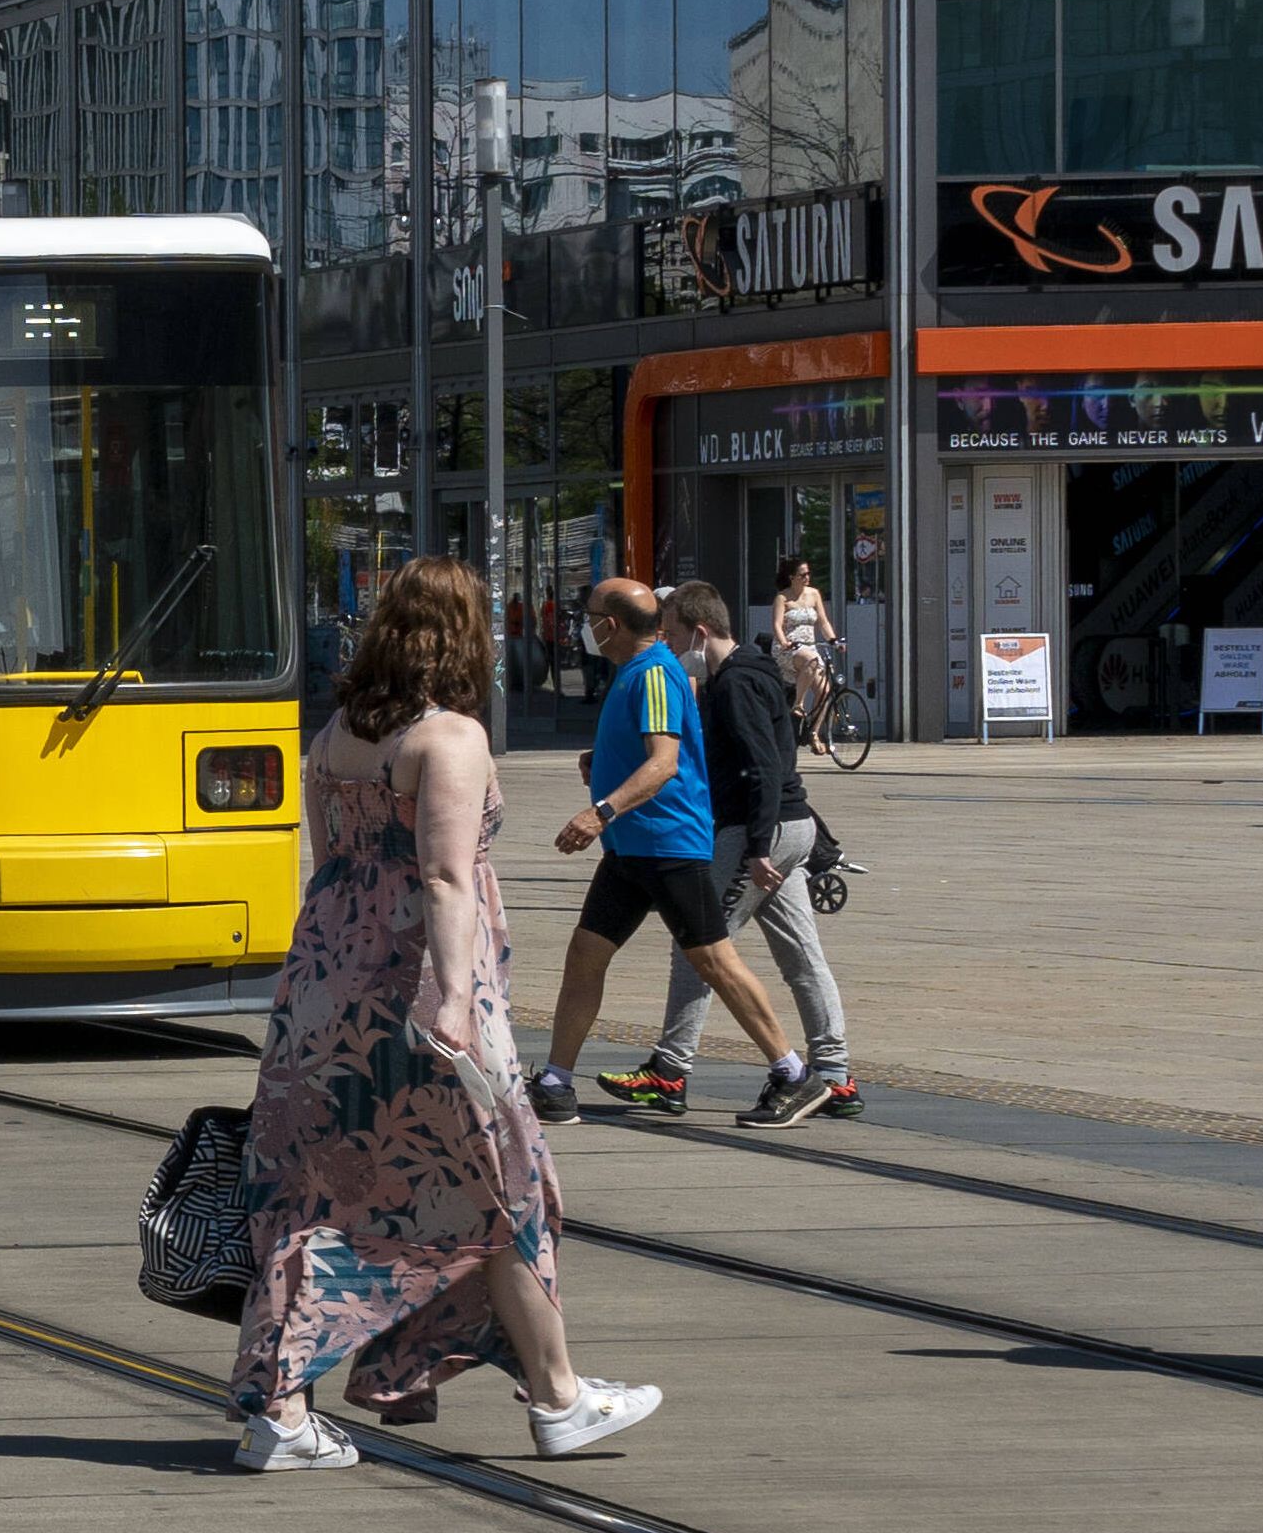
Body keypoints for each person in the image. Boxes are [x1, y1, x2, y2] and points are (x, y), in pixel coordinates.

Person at [231, 559, 659, 1473]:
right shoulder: (449, 739)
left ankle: (284, 1415)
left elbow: (336, 866)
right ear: (467, 637)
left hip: (321, 993)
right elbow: (444, 876)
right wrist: (459, 1002)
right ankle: (558, 1400)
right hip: (421, 999)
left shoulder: (337, 733)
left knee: (319, 1197)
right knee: (509, 1186)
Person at [532, 577, 811, 1126]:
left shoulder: (656, 671)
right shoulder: (635, 673)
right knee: (586, 954)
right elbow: (653, 750)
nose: (582, 625)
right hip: (632, 849)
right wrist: (604, 759)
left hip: (666, 845)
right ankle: (555, 1083)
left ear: (609, 624)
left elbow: (662, 764)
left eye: (588, 615)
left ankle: (794, 1074)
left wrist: (599, 812)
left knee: (714, 961)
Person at [605, 582, 858, 1120]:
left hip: (756, 833)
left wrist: (758, 845)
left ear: (700, 631)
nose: (668, 647)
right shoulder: (746, 670)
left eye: (672, 636)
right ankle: (834, 1076)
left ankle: (670, 1071)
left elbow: (763, 766)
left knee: (699, 944)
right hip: (787, 828)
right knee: (800, 955)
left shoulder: (737, 682)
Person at [770, 555, 835, 736]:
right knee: (810, 659)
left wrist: (833, 640)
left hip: (809, 647)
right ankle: (798, 704)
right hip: (789, 648)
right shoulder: (782, 598)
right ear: (792, 577)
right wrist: (784, 642)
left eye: (808, 574)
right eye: (803, 575)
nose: (807, 578)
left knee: (825, 691)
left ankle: (813, 733)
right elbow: (776, 624)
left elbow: (823, 622)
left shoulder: (814, 594)